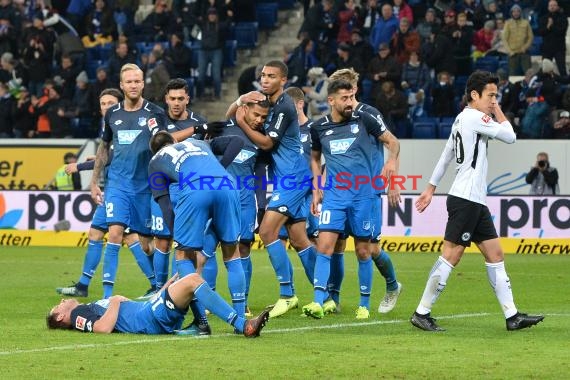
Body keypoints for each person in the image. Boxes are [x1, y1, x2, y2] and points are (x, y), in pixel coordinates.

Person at [411, 70, 544, 332]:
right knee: (452, 254)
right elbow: (510, 136)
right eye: (491, 96)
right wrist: (498, 111)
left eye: (496, 96)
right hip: (466, 199)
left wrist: (430, 187)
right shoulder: (476, 117)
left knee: (495, 253)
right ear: (475, 95)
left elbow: (446, 155)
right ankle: (421, 312)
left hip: (473, 200)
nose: (494, 100)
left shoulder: (461, 119)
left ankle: (512, 316)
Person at [226, 60, 317, 318]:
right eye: (263, 75)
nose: (265, 80)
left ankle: (288, 295)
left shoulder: (284, 105)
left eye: (271, 76)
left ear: (283, 81)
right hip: (288, 177)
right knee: (300, 239)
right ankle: (325, 294)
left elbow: (266, 143)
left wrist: (243, 123)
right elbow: (228, 116)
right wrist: (241, 100)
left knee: (267, 231)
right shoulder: (271, 104)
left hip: (292, 178)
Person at [89, 63, 170, 299]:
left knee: (146, 244)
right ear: (122, 85)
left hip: (145, 188)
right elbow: (104, 148)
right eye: (129, 82)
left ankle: (158, 285)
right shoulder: (112, 114)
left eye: (137, 81)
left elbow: (163, 147)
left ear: (143, 83)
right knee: (115, 232)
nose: (133, 85)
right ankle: (106, 297)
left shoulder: (155, 113)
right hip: (117, 185)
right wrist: (95, 182)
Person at [327, 68, 402, 315]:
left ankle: (392, 286)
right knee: (336, 244)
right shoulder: (336, 117)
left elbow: (393, 143)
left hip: (366, 192)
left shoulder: (367, 114)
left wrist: (393, 180)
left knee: (369, 249)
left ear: (354, 89)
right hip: (339, 193)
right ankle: (333, 299)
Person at [200, 98, 271, 318]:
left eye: (263, 117)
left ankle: (243, 300)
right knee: (207, 249)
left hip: (245, 202)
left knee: (242, 249)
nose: (259, 120)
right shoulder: (221, 129)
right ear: (244, 110)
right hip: (217, 200)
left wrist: (261, 204)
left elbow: (260, 173)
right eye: (256, 115)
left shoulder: (261, 139)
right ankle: (209, 299)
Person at [48, 272, 270, 337]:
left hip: (149, 313)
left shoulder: (88, 308)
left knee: (189, 280)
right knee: (192, 280)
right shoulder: (78, 312)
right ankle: (243, 326)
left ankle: (201, 325)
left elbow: (132, 309)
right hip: (150, 318)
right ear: (60, 317)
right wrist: (115, 300)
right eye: (57, 307)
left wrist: (162, 291)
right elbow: (101, 329)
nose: (62, 301)